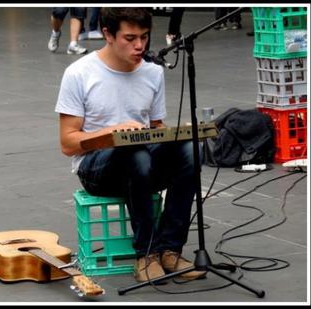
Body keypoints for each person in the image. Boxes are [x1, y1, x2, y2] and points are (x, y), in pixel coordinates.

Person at [55, 8, 206, 283]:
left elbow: (156, 128)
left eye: (145, 37)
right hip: (97, 168)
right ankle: (145, 254)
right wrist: (111, 133)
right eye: (130, 38)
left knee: (191, 149)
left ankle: (170, 249)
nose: (139, 45)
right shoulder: (79, 73)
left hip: (143, 165)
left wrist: (175, 135)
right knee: (135, 153)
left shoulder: (152, 71)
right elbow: (68, 143)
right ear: (108, 35)